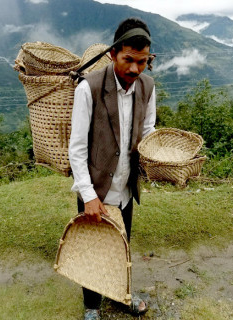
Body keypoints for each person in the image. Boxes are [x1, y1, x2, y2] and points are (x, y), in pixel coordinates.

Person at [68, 17, 156, 320]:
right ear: (113, 54)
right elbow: (77, 148)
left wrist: (154, 160)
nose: (134, 69)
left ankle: (121, 295)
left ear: (149, 60)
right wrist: (88, 196)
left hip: (126, 187)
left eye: (141, 62)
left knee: (122, 244)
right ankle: (92, 307)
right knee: (94, 250)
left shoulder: (147, 85)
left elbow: (149, 129)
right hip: (95, 187)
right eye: (128, 60)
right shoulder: (88, 89)